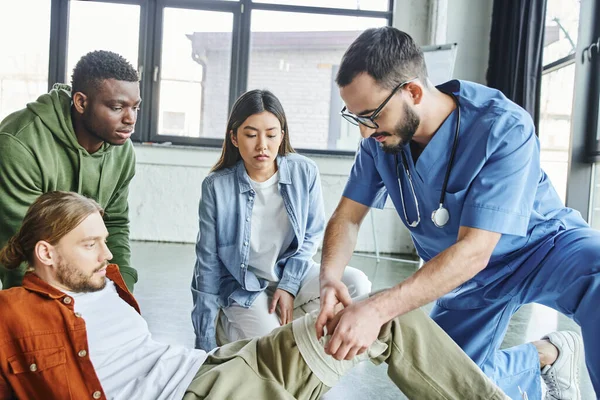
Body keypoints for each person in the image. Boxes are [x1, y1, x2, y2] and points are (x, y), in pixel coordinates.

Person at [0, 191, 509, 400]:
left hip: (219, 366)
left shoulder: (106, 279)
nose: (105, 254)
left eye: (103, 241)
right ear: (45, 253)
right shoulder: (13, 315)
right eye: (89, 245)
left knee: (381, 317)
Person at [316, 26, 597, 400]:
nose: (366, 133)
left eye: (371, 116)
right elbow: (348, 217)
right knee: (447, 381)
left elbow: (476, 250)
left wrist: (375, 310)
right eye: (357, 119)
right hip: (464, 278)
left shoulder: (502, 126)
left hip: (541, 247)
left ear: (413, 91)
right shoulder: (380, 142)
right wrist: (330, 277)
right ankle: (546, 356)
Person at [191, 89, 371, 352]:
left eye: (271, 134)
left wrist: (288, 287)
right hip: (244, 286)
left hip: (292, 273)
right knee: (274, 345)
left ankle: (280, 329)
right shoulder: (216, 187)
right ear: (234, 137)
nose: (262, 145)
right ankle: (229, 329)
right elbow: (206, 264)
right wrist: (204, 342)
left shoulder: (304, 171)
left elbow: (311, 235)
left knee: (357, 286)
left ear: (282, 136)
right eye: (251, 135)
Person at [0, 50, 140, 291]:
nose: (130, 119)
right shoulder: (19, 143)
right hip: (31, 280)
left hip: (76, 279)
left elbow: (114, 224)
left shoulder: (122, 150)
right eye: (117, 107)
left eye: (135, 107)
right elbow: (22, 247)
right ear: (81, 102)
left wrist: (120, 289)